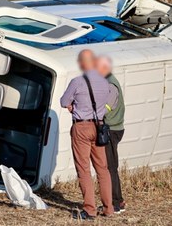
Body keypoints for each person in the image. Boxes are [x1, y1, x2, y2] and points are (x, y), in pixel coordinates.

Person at [60, 49, 118, 220]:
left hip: (81, 127)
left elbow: (64, 102)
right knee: (103, 169)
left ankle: (90, 210)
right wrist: (103, 109)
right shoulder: (104, 82)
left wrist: (73, 107)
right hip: (99, 127)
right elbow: (114, 98)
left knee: (84, 169)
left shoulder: (77, 81)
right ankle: (108, 208)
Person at [96, 56, 126, 214]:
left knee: (110, 167)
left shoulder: (110, 84)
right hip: (113, 128)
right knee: (109, 166)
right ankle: (116, 200)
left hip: (111, 130)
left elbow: (106, 107)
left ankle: (116, 202)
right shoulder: (108, 81)